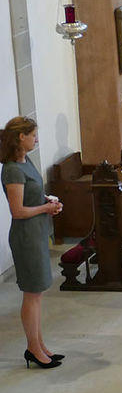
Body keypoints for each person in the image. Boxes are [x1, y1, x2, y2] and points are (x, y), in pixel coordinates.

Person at [1, 117, 65, 369]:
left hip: (37, 232)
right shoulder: (12, 169)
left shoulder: (24, 161)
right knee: (32, 293)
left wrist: (46, 200)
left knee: (37, 293)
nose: (36, 139)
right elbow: (17, 211)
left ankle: (39, 345)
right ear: (21, 137)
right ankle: (33, 349)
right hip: (26, 236)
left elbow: (31, 196)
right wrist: (45, 208)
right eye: (33, 135)